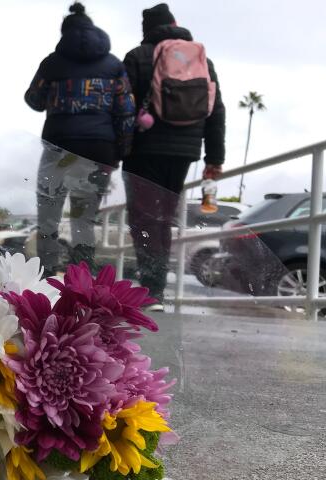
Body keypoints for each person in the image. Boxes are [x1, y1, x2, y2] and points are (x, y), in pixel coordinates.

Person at [122, 3, 225, 309]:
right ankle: (157, 289)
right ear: (174, 23)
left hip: (144, 149)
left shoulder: (138, 57)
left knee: (143, 219)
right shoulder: (201, 59)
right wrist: (214, 157)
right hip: (185, 152)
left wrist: (118, 149)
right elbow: (216, 110)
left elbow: (123, 107)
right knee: (163, 219)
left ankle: (151, 290)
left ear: (146, 30)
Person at [25, 2, 135, 276]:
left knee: (48, 216)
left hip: (59, 146)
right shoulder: (114, 65)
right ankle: (81, 282)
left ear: (65, 32)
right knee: (84, 220)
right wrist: (119, 152)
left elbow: (34, 100)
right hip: (99, 149)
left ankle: (46, 276)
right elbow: (126, 112)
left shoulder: (52, 63)